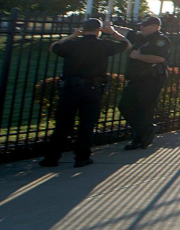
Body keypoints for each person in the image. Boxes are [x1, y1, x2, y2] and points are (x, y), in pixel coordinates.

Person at [41, 18, 131, 168]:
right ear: (99, 30)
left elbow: (53, 47)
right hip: (92, 88)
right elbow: (127, 45)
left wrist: (72, 36)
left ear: (83, 29)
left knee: (62, 124)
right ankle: (82, 157)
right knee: (87, 124)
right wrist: (113, 32)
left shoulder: (71, 44)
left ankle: (51, 158)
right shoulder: (104, 45)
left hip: (70, 88)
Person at [121, 16, 171, 150]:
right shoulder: (140, 37)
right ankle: (146, 130)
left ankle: (139, 138)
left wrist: (138, 56)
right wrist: (110, 29)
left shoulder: (161, 40)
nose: (141, 27)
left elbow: (160, 58)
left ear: (155, 27)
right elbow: (127, 32)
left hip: (152, 78)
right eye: (141, 25)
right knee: (125, 105)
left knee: (144, 107)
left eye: (145, 25)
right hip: (136, 77)